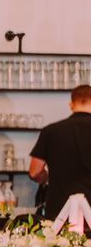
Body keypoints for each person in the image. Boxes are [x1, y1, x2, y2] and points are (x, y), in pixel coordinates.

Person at [30, 84, 91, 220]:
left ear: (71, 105)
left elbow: (35, 172)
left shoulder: (51, 131)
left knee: (59, 242)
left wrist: (47, 177)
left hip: (60, 210)